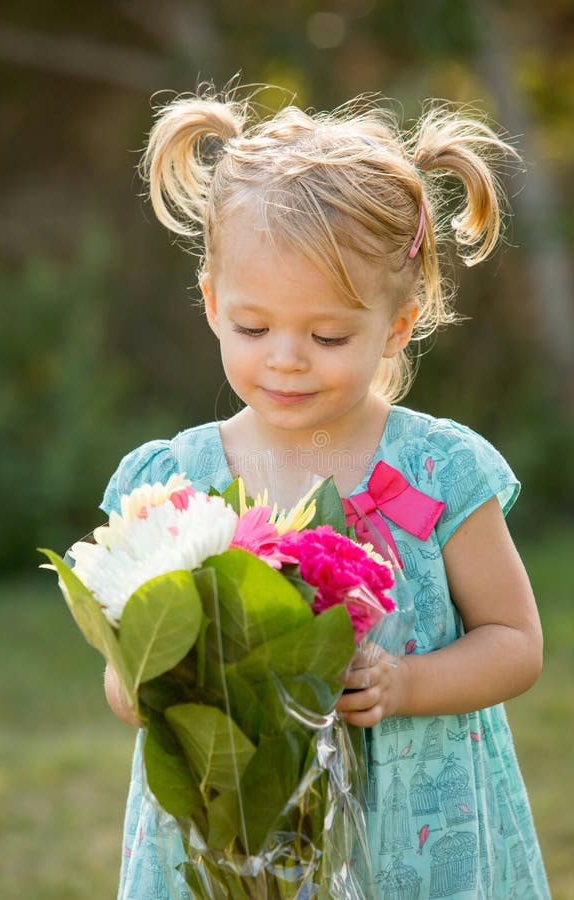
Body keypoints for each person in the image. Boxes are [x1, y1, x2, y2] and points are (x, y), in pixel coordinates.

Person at [102, 86, 549, 898]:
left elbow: (516, 642)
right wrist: (189, 678)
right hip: (230, 837)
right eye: (252, 327)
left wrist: (407, 684)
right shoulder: (173, 486)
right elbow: (122, 683)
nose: (285, 359)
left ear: (400, 323)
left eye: (328, 335)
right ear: (210, 304)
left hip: (414, 836)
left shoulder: (437, 472)